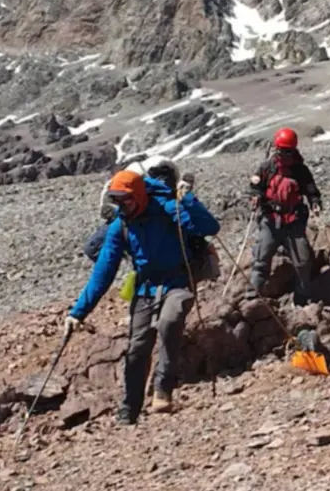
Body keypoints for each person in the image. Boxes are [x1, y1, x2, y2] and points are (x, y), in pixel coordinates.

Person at [64, 170, 221, 425]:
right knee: (137, 348)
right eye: (116, 201)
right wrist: (78, 312)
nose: (121, 206)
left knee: (170, 321)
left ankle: (163, 388)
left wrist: (188, 200)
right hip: (145, 288)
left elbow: (209, 227)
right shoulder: (120, 226)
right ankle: (130, 408)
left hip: (179, 281)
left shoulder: (167, 208)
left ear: (138, 195)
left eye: (125, 200)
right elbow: (103, 271)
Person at [247, 128, 322, 306]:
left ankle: (302, 298)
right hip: (271, 219)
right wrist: (255, 197)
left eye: (289, 151)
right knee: (262, 257)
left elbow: (311, 190)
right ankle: (252, 293)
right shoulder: (266, 167)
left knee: (303, 262)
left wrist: (315, 202)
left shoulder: (300, 170)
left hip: (293, 221)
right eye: (282, 150)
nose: (285, 154)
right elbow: (255, 187)